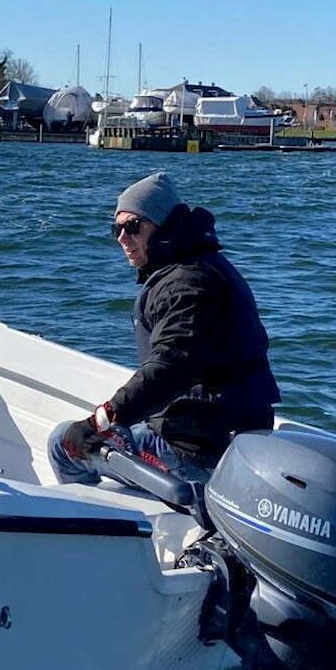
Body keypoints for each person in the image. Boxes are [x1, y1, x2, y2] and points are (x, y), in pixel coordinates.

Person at [51, 171, 279, 485]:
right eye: (115, 229)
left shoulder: (185, 283)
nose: (122, 238)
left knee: (64, 442)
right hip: (226, 436)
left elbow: (171, 366)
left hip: (195, 454)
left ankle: (95, 524)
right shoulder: (206, 266)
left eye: (132, 227)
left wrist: (99, 421)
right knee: (126, 429)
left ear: (162, 225)